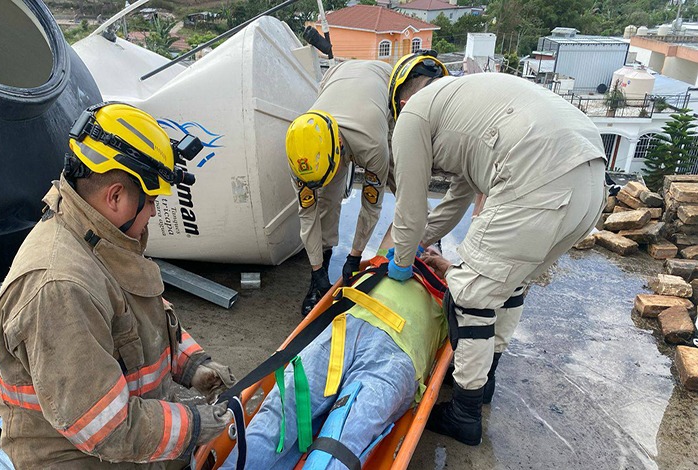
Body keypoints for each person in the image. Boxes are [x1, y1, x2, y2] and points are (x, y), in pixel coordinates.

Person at [0, 102, 236, 468]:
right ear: (116, 196)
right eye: (151, 200)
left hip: (131, 452)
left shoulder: (101, 238)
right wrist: (197, 424)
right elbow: (107, 427)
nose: (153, 212)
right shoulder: (60, 287)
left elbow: (140, 319)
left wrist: (191, 365)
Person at [387, 59, 607, 446]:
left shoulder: (413, 116)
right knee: (509, 283)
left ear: (400, 104)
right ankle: (483, 383)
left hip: (538, 174)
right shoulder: (465, 101)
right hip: (590, 182)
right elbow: (454, 202)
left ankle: (465, 414)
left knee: (467, 295)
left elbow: (410, 207)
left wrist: (399, 264)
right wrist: (422, 244)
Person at [219, 247, 449, 470]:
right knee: (282, 411)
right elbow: (402, 227)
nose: (428, 254)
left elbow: (477, 303)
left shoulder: (452, 290)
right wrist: (413, 244)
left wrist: (449, 271)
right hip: (341, 331)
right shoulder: (385, 262)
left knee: (342, 442)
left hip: (396, 356)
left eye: (435, 251)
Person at [285, 59, 394, 316]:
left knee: (400, 179)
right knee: (325, 199)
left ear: (340, 151)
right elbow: (308, 215)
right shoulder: (300, 152)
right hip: (337, 75)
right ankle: (321, 266)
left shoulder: (373, 146)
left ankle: (424, 231)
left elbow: (371, 206)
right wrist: (316, 270)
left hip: (384, 85)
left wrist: (355, 256)